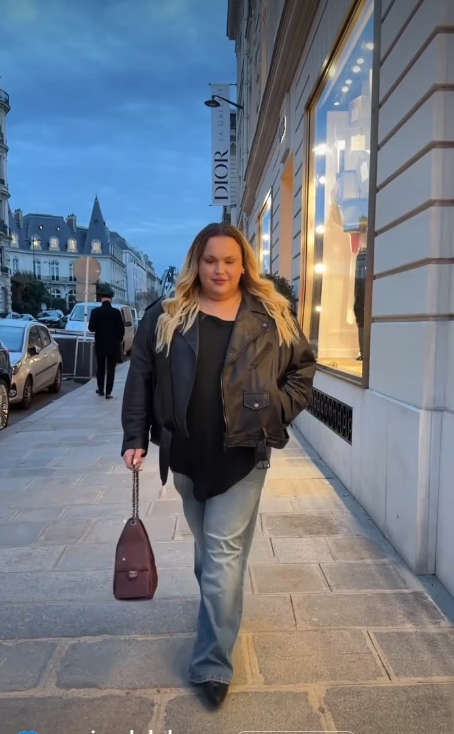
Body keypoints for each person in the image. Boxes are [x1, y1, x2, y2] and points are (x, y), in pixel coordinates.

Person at [121, 223, 316, 707]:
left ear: (243, 264)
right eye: (211, 260)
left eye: (230, 260)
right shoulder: (166, 316)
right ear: (197, 263)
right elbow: (141, 377)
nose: (220, 270)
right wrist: (135, 437)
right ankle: (220, 608)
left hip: (243, 455)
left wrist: (275, 410)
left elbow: (302, 370)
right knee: (213, 554)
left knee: (222, 555)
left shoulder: (271, 315)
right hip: (186, 456)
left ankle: (212, 664)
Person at [88, 294, 125, 399]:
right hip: (113, 346)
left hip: (100, 344)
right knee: (111, 369)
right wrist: (118, 340)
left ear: (101, 300)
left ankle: (100, 389)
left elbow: (91, 328)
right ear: (110, 300)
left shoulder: (95, 312)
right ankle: (108, 392)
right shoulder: (116, 313)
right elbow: (121, 329)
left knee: (100, 367)